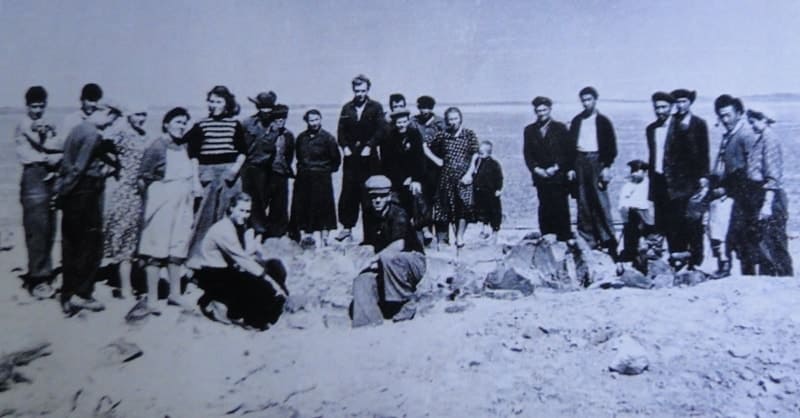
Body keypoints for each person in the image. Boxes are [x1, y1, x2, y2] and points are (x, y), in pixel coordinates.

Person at [54, 99, 123, 315]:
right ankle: (82, 295)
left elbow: (67, 164)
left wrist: (61, 192)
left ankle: (67, 295)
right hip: (85, 192)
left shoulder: (77, 129)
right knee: (91, 245)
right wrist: (63, 193)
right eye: (112, 119)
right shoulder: (93, 135)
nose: (111, 124)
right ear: (106, 113)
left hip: (72, 192)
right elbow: (78, 168)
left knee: (69, 244)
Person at [137, 107, 201, 312]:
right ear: (166, 123)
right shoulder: (157, 146)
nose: (181, 126)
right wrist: (154, 200)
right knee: (157, 248)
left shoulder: (184, 146)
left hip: (182, 202)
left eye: (184, 122)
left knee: (177, 248)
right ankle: (152, 298)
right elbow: (143, 177)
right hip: (162, 202)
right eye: (177, 121)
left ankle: (175, 294)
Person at [195, 193, 288, 330]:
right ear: (231, 208)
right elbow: (242, 259)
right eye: (241, 210)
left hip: (227, 270)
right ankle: (215, 302)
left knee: (271, 269)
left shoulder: (238, 225)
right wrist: (271, 282)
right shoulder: (224, 229)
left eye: (248, 211)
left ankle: (232, 307)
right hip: (214, 274)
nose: (244, 215)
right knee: (259, 287)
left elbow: (247, 253)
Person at [350, 175, 426, 327]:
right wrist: (363, 261)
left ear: (389, 196)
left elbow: (398, 245)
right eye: (373, 197)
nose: (377, 200)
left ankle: (407, 302)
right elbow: (371, 243)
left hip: (412, 262)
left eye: (382, 196)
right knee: (362, 279)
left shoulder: (398, 213)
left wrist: (373, 259)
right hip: (387, 263)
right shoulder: (369, 215)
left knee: (387, 257)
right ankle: (369, 320)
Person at [185, 86, 247, 267]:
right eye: (211, 101)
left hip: (230, 173)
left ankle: (230, 258)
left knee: (230, 215)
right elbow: (193, 154)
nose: (214, 105)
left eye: (218, 101)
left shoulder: (235, 124)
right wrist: (196, 180)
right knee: (204, 216)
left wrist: (234, 170)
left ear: (227, 104)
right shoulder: (201, 124)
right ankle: (196, 259)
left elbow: (242, 151)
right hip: (207, 173)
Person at [14, 86, 61, 298]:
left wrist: (53, 138)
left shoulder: (43, 123)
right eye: (34, 106)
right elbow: (48, 147)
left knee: (50, 226)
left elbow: (55, 144)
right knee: (37, 228)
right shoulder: (25, 123)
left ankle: (45, 273)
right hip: (33, 175)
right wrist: (54, 148)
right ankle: (37, 279)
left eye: (41, 106)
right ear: (27, 106)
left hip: (47, 175)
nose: (38, 110)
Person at [102, 105, 150, 299]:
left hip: (141, 192)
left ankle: (134, 283)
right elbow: (101, 143)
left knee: (137, 238)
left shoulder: (144, 134)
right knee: (125, 240)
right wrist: (115, 165)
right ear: (129, 115)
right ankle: (125, 287)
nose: (141, 118)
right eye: (138, 113)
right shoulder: (121, 132)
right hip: (126, 191)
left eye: (143, 113)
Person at [567, 87, 618, 258]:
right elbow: (570, 145)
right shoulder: (577, 121)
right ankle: (588, 240)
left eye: (589, 99)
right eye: (583, 100)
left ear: (595, 100)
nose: (586, 103)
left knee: (600, 201)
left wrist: (607, 167)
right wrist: (571, 168)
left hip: (597, 160)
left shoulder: (603, 121)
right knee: (583, 201)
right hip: (579, 161)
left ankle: (609, 241)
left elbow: (611, 147)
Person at [663, 89, 709, 268]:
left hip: (693, 181)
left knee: (694, 221)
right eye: (677, 102)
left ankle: (696, 260)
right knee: (676, 221)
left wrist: (704, 177)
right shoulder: (671, 122)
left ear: (690, 102)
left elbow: (704, 153)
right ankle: (679, 258)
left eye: (684, 101)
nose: (680, 105)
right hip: (675, 182)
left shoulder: (699, 124)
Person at [336, 74, 385, 243]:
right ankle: (347, 228)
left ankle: (370, 234)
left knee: (369, 194)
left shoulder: (376, 107)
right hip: (351, 159)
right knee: (349, 193)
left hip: (369, 159)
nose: (360, 94)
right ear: (353, 90)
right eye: (357, 91)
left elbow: (381, 130)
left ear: (368, 90)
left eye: (363, 90)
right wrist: (345, 147)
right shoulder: (347, 108)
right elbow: (340, 131)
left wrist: (369, 145)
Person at [711, 94, 757, 275]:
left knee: (742, 236)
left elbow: (750, 169)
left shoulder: (745, 135)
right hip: (729, 192)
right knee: (723, 230)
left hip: (743, 194)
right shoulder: (728, 135)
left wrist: (727, 189)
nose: (724, 120)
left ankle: (747, 273)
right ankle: (727, 267)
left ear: (739, 113)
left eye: (728, 115)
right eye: (721, 116)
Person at [745, 109, 793, 276]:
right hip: (762, 194)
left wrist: (767, 204)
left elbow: (772, 174)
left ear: (764, 119)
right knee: (765, 241)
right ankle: (771, 277)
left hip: (770, 196)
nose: (752, 126)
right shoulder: (762, 139)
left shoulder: (769, 139)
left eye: (753, 122)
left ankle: (784, 278)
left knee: (775, 241)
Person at [427, 107, 479, 248]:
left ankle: (460, 236)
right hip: (446, 177)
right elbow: (425, 146)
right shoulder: (442, 135)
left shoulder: (469, 134)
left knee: (464, 206)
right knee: (445, 208)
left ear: (460, 118)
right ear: (446, 120)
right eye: (450, 119)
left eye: (455, 118)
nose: (453, 122)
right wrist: (436, 160)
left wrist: (470, 173)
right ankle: (443, 241)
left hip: (464, 177)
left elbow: (475, 154)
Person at [523, 96, 572, 241]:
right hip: (540, 176)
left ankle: (563, 237)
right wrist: (536, 169)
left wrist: (556, 167)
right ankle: (546, 235)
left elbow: (567, 151)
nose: (541, 113)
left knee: (560, 205)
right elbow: (527, 153)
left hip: (557, 175)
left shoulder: (560, 128)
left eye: (544, 110)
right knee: (544, 205)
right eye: (538, 111)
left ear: (550, 110)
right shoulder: (529, 130)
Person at [291, 109, 341, 248]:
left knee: (324, 208)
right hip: (304, 178)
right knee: (305, 207)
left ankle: (325, 238)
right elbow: (298, 156)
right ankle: (307, 237)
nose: (314, 123)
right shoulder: (301, 138)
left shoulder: (328, 138)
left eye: (316, 120)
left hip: (322, 178)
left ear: (320, 119)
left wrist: (324, 170)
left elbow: (336, 159)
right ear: (306, 121)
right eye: (311, 120)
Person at [378, 109, 427, 239]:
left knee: (417, 197)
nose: (401, 125)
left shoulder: (415, 134)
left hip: (413, 178)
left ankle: (421, 228)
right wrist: (401, 179)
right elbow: (388, 162)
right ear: (395, 123)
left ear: (408, 121)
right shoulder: (389, 137)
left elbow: (419, 158)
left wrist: (415, 178)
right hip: (396, 179)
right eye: (399, 122)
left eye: (404, 122)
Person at [241, 91, 278, 235]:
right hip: (248, 166)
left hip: (266, 169)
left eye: (268, 107)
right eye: (262, 107)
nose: (265, 110)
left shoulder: (275, 126)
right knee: (247, 199)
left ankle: (260, 231)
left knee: (263, 200)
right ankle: (248, 229)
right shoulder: (247, 123)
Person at [414, 95, 447, 244]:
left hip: (438, 168)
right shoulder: (413, 122)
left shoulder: (440, 123)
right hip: (420, 168)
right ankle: (423, 239)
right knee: (421, 202)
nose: (424, 111)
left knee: (440, 202)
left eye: (427, 107)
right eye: (421, 107)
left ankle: (442, 238)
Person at [261, 104, 295, 238]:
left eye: (283, 119)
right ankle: (261, 232)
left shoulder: (288, 135)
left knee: (280, 204)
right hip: (265, 173)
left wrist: (286, 167)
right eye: (277, 118)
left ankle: (278, 233)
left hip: (281, 173)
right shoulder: (266, 133)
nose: (280, 121)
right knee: (262, 202)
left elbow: (290, 154)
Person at [617, 160, 656, 273]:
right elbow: (623, 204)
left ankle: (649, 252)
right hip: (632, 216)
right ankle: (633, 258)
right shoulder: (628, 186)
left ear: (644, 172)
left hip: (646, 215)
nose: (634, 174)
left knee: (649, 236)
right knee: (632, 236)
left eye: (637, 171)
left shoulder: (648, 185)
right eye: (632, 171)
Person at [645, 91, 674, 245]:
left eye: (664, 107)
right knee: (660, 218)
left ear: (671, 107)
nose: (660, 111)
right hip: (658, 179)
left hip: (675, 183)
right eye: (657, 108)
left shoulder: (680, 127)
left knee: (675, 221)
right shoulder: (651, 129)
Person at [472, 140, 503, 244]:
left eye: (482, 153)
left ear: (489, 153)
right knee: (482, 212)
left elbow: (499, 177)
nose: (480, 155)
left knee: (494, 213)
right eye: (479, 153)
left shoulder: (494, 164)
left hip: (491, 192)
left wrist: (498, 189)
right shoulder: (477, 162)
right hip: (480, 192)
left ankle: (495, 232)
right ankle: (484, 229)